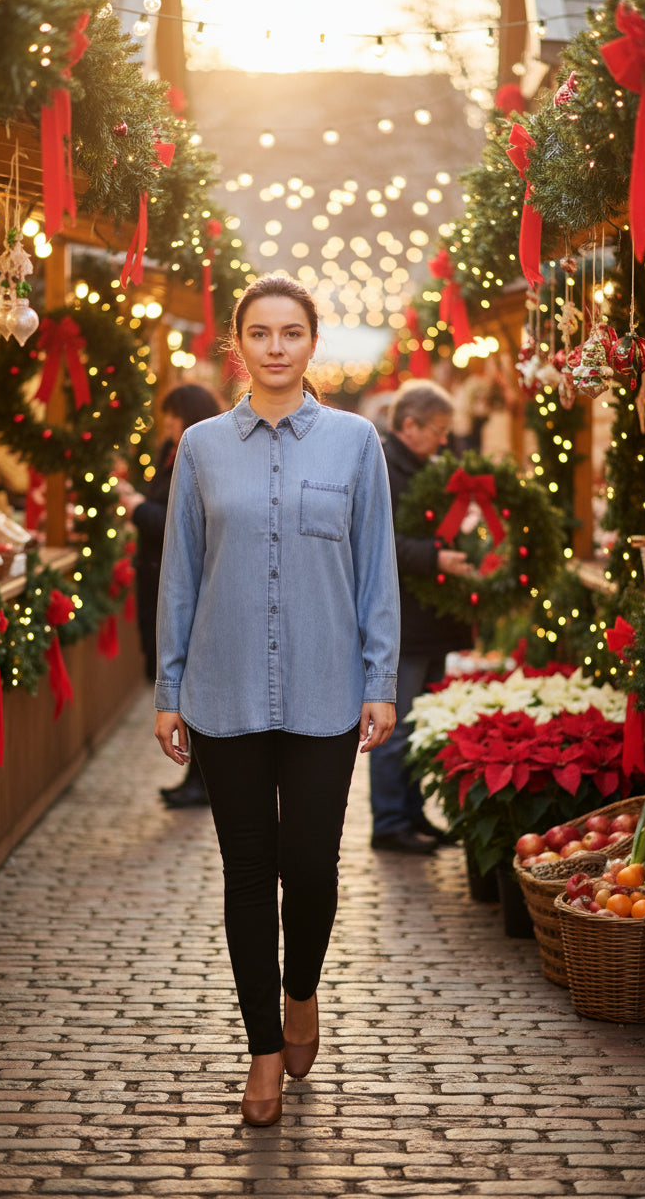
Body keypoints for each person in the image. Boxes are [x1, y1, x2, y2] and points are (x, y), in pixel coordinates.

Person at [154, 274, 400, 1126]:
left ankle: (303, 993)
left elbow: (377, 570)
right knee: (249, 874)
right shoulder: (202, 447)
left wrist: (380, 681)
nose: (276, 347)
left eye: (290, 332)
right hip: (222, 692)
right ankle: (264, 1046)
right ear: (239, 344)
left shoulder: (355, 442)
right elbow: (180, 572)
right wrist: (169, 687)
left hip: (327, 690)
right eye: (260, 333)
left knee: (314, 867)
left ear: (311, 342)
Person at [369, 380, 473, 854]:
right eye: (437, 430)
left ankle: (413, 814)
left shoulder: (429, 467)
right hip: (403, 624)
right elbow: (377, 540)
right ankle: (389, 822)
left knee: (422, 724)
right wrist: (436, 557)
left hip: (431, 622)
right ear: (408, 426)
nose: (444, 440)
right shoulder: (382, 468)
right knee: (396, 726)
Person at [118, 383, 222, 809]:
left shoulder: (197, 453)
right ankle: (195, 776)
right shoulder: (174, 452)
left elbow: (177, 523)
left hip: (180, 578)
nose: (168, 425)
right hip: (159, 577)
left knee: (194, 683)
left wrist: (135, 506)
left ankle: (201, 778)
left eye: (174, 416)